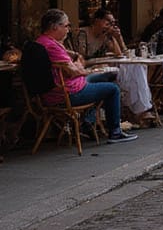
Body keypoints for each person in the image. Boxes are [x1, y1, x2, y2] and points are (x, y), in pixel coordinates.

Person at [35, 8, 138, 143]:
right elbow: (76, 71)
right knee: (113, 89)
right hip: (67, 94)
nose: (68, 30)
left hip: (59, 90)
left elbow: (71, 61)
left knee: (106, 76)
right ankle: (115, 132)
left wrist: (76, 59)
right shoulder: (53, 47)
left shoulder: (42, 42)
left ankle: (88, 121)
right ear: (55, 27)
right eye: (66, 26)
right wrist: (84, 67)